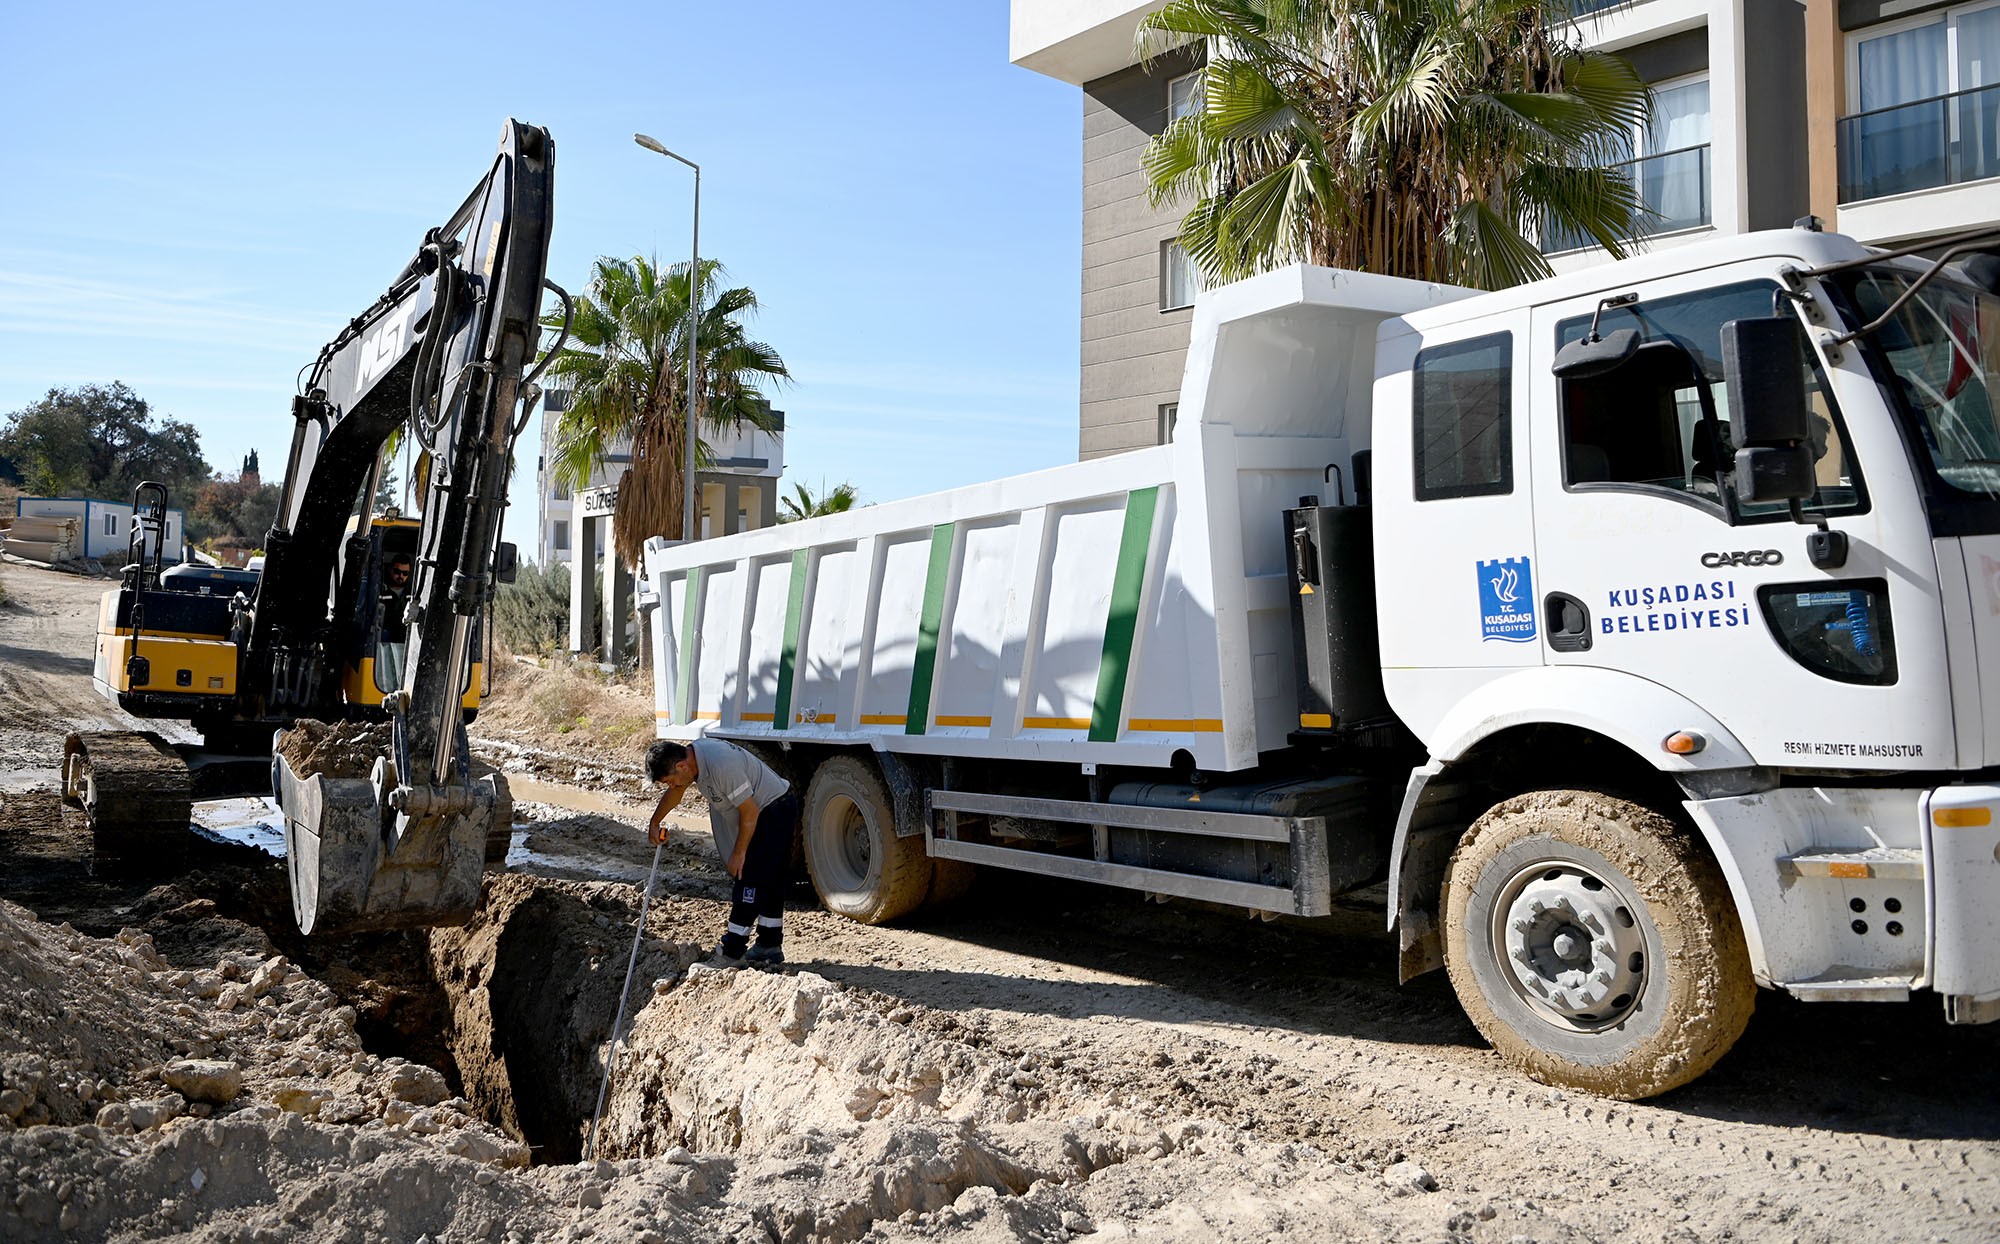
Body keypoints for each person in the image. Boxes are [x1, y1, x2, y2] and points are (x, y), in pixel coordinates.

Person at [646, 738, 798, 967]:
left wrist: (738, 853)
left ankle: (732, 952)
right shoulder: (692, 760)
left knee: (749, 879)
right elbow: (676, 792)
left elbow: (750, 811)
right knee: (772, 880)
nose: (671, 786)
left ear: (681, 767)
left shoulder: (720, 765)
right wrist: (655, 822)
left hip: (772, 810)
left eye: (669, 781)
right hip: (770, 808)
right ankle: (769, 946)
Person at [377, 552, 413, 690]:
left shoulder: (413, 594)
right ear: (389, 569)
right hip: (383, 640)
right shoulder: (379, 590)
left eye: (405, 573)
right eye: (397, 572)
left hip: (404, 639)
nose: (401, 576)